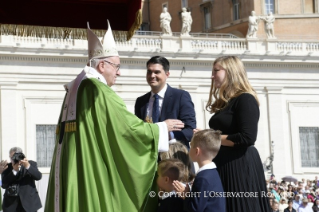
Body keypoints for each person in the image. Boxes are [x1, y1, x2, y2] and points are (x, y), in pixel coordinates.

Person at [45, 21, 184, 212]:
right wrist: (160, 128)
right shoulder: (98, 90)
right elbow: (126, 127)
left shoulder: (77, 86)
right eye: (116, 66)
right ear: (102, 65)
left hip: (72, 165)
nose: (119, 72)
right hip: (90, 167)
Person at [194, 55, 271, 211]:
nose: (212, 75)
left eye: (216, 71)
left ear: (230, 72)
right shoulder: (226, 102)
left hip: (240, 165)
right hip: (224, 163)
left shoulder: (245, 99)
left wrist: (210, 137)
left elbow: (247, 137)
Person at [135, 56, 196, 148]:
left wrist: (167, 135)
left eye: (157, 72)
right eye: (149, 72)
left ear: (167, 74)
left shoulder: (180, 96)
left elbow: (190, 131)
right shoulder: (141, 102)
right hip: (149, 157)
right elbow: (138, 130)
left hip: (174, 157)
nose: (152, 76)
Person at [173, 129, 226, 212]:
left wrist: (185, 196)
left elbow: (195, 209)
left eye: (191, 146)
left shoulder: (203, 178)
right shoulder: (212, 172)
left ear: (197, 151)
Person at [1, 147, 42, 212]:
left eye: (16, 156)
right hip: (11, 205)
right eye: (12, 158)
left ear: (21, 155)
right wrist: (14, 171)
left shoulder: (31, 164)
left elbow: (38, 177)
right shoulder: (7, 167)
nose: (14, 159)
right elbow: (4, 185)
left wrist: (28, 166)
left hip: (29, 204)